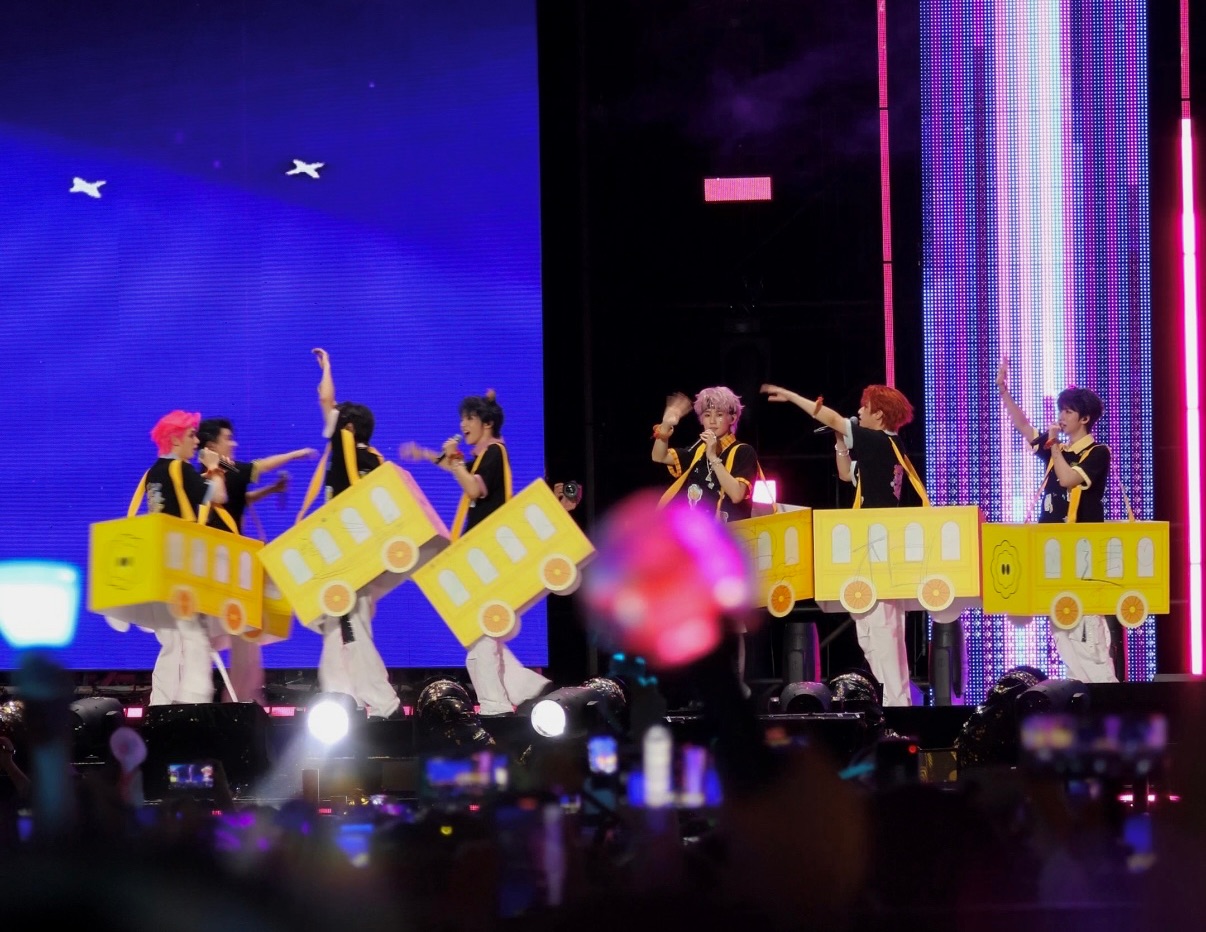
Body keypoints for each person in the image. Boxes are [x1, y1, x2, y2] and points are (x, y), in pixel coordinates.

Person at [761, 383, 926, 707]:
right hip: (871, 547)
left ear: (880, 415)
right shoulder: (881, 449)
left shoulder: (880, 440)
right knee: (869, 631)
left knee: (884, 631)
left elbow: (832, 417)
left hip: (881, 548)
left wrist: (792, 396)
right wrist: (840, 441)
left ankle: (899, 705)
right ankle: (890, 701)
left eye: (865, 407)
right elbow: (846, 474)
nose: (859, 412)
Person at [402, 390, 553, 715]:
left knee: (480, 635)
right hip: (482, 554)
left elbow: (472, 487)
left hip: (487, 555)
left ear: (487, 423)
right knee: (481, 633)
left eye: (469, 418)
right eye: (462, 418)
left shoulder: (495, 452)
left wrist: (455, 461)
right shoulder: (486, 456)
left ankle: (496, 704)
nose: (462, 424)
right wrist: (426, 454)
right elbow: (460, 469)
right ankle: (525, 688)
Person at [996, 358, 1120, 683]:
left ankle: (1105, 692)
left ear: (1085, 418)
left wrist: (1054, 450)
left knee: (1086, 627)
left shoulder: (1097, 452)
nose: (1061, 416)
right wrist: (1004, 391)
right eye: (1061, 410)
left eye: (1068, 411)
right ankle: (1079, 690)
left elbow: (1067, 480)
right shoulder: (1060, 449)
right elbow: (1025, 427)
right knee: (1061, 623)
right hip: (1053, 548)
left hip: (1081, 550)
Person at [196, 417, 318, 704]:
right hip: (226, 563)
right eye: (228, 438)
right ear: (212, 444)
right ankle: (238, 698)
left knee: (235, 633)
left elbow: (238, 500)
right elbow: (259, 467)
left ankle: (237, 697)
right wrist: (297, 454)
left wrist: (271, 491)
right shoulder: (223, 471)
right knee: (241, 633)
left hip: (216, 561)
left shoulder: (206, 474)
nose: (234, 443)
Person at [652, 386, 764, 692]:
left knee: (729, 621)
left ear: (732, 418)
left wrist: (715, 458)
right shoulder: (698, 451)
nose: (712, 421)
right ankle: (705, 690)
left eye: (719, 414)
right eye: (707, 414)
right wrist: (667, 423)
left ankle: (734, 688)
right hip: (697, 548)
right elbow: (659, 455)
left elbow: (738, 493)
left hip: (727, 545)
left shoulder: (741, 452)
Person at [309, 348, 401, 720]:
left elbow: (325, 399)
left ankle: (383, 701)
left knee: (352, 626)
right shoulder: (377, 461)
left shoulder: (348, 450)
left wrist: (328, 366)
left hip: (347, 556)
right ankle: (342, 697)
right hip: (364, 555)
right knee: (339, 627)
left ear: (346, 428)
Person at [142, 410, 229, 705]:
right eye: (191, 435)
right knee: (192, 639)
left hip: (160, 569)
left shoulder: (154, 473)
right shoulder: (180, 468)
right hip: (181, 568)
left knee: (171, 642)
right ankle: (191, 705)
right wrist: (214, 468)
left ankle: (161, 704)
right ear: (176, 439)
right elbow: (217, 496)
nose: (196, 441)